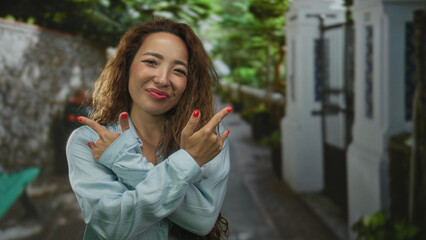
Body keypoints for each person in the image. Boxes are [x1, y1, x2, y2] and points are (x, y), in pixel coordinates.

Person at [66, 18, 231, 240]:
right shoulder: (88, 141)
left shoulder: (207, 140)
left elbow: (201, 220)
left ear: (189, 82)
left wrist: (123, 160)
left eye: (179, 70)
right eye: (151, 62)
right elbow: (111, 225)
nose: (163, 79)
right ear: (127, 65)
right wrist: (188, 162)